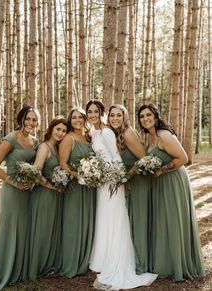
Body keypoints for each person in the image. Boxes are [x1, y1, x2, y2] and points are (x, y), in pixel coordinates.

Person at [86, 100, 157, 290]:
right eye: (89, 112)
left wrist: (117, 177)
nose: (93, 115)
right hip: (103, 183)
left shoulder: (109, 132)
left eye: (96, 111)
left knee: (116, 219)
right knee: (106, 219)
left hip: (114, 182)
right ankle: (105, 257)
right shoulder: (95, 133)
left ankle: (116, 260)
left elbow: (117, 158)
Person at [137, 103, 205, 281]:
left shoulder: (163, 135)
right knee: (164, 221)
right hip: (161, 182)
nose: (145, 119)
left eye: (148, 115)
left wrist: (162, 170)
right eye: (142, 116)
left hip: (173, 180)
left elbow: (183, 158)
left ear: (156, 116)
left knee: (173, 220)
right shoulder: (149, 138)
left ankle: (178, 264)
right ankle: (166, 261)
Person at [0, 106, 40, 291]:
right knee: (9, 230)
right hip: (12, 193)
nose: (31, 123)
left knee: (24, 230)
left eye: (34, 120)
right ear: (21, 119)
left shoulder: (35, 142)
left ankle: (19, 271)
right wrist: (13, 183)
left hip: (28, 193)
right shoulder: (11, 139)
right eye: (28, 119)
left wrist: (33, 181)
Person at [108, 104, 151, 274]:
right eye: (112, 115)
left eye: (119, 115)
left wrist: (127, 175)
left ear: (125, 117)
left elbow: (144, 159)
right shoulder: (118, 135)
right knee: (134, 220)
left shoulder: (128, 133)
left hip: (140, 182)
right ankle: (139, 259)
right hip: (132, 183)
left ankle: (142, 263)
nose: (115, 118)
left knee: (139, 221)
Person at [28, 117, 68, 280]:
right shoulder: (44, 147)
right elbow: (35, 173)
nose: (61, 133)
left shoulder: (58, 148)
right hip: (44, 195)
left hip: (57, 195)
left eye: (64, 131)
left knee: (53, 229)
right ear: (51, 129)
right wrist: (52, 186)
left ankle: (50, 265)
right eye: (58, 129)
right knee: (42, 229)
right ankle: (37, 266)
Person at [58, 107, 96, 278]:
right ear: (70, 120)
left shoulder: (88, 137)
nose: (78, 120)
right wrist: (79, 176)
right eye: (74, 118)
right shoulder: (69, 138)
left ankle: (85, 259)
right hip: (75, 187)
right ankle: (71, 262)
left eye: (81, 117)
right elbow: (63, 163)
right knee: (74, 223)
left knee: (88, 222)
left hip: (90, 188)